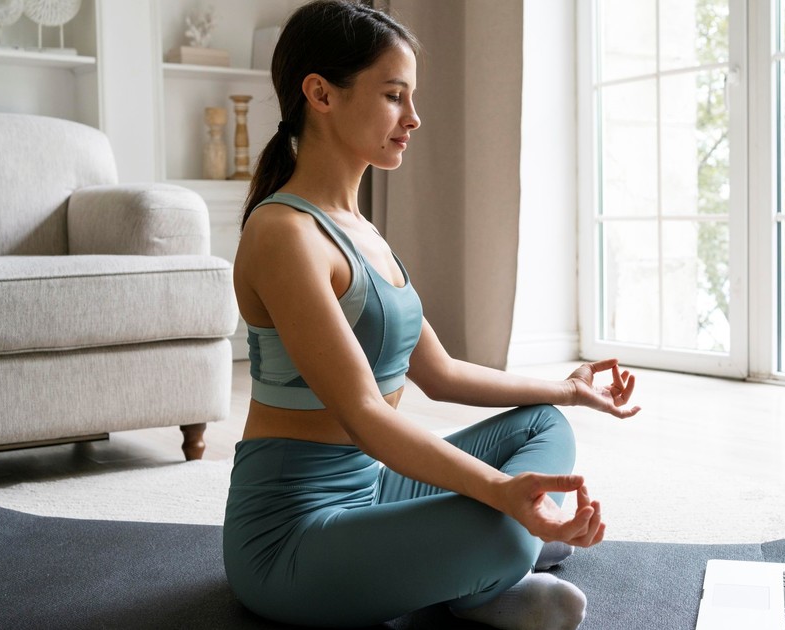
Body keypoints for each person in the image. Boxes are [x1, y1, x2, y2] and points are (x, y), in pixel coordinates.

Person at [223, 2, 640, 628]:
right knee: (500, 529)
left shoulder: (362, 231)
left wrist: (569, 390)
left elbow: (441, 374)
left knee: (543, 425)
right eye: (394, 96)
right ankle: (491, 570)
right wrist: (500, 493)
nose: (413, 117)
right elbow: (365, 414)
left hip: (374, 489)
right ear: (321, 94)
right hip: (291, 537)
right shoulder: (284, 233)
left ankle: (492, 550)